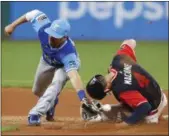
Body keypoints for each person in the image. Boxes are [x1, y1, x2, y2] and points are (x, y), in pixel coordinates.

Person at [4, 9, 97, 126]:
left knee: (57, 82)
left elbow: (74, 76)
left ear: (64, 37)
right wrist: (12, 26)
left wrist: (82, 97)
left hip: (63, 66)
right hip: (46, 61)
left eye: (56, 36)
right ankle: (51, 103)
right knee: (37, 90)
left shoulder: (68, 53)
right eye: (51, 33)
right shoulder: (43, 29)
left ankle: (35, 114)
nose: (51, 37)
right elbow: (31, 14)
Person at [85, 39, 167, 127]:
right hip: (159, 94)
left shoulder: (121, 89)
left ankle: (154, 118)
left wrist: (126, 123)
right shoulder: (118, 59)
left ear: (105, 90)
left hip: (152, 111)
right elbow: (131, 42)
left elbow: (145, 107)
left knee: (113, 114)